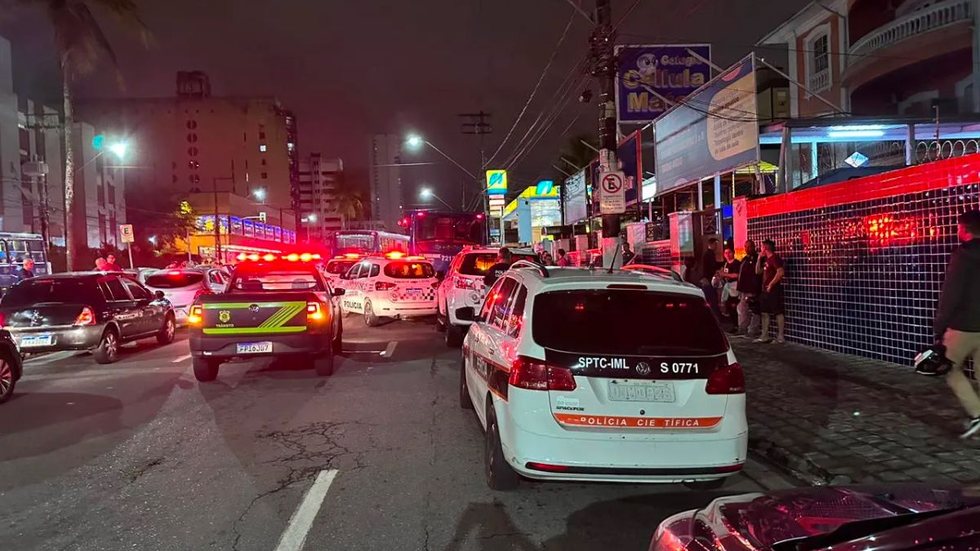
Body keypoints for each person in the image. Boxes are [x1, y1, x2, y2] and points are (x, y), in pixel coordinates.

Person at [934, 209, 980, 439]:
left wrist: (939, 326)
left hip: (963, 326)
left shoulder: (962, 256)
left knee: (949, 368)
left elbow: (951, 295)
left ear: (965, 229)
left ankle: (977, 414)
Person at [755, 239, 786, 344]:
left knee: (778, 311)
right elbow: (757, 271)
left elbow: (780, 272)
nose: (760, 248)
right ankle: (764, 335)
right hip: (764, 290)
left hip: (773, 289)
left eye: (762, 246)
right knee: (764, 312)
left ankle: (780, 336)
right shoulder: (766, 260)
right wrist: (759, 259)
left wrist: (771, 284)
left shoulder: (775, 258)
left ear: (766, 247)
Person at [736, 239, 762, 337]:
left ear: (753, 247)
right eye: (745, 247)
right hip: (743, 288)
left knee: (754, 309)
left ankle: (753, 329)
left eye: (749, 247)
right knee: (743, 309)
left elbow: (757, 274)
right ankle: (743, 328)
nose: (747, 249)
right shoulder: (744, 259)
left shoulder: (756, 259)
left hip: (752, 289)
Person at [699, 238, 722, 319]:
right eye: (715, 244)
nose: (716, 246)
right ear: (711, 245)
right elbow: (712, 267)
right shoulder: (710, 254)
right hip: (708, 280)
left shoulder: (706, 254)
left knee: (709, 300)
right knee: (712, 300)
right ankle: (715, 318)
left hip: (706, 280)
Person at [719, 248, 741, 324]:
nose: (727, 255)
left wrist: (725, 275)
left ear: (733, 253)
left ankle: (737, 325)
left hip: (735, 287)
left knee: (734, 306)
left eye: (729, 252)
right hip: (727, 287)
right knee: (727, 305)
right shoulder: (725, 264)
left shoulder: (736, 263)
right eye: (726, 253)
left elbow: (736, 275)